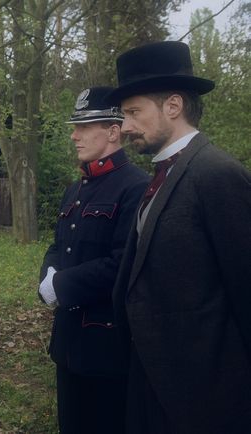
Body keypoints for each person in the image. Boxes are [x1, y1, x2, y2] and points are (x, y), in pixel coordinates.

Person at [107, 41, 251, 434]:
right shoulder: (158, 178)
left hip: (206, 398)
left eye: (134, 112)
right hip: (152, 386)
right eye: (123, 115)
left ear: (173, 106)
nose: (126, 126)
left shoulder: (217, 175)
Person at [38, 86, 149, 434]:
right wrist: (47, 278)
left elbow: (123, 264)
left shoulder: (137, 188)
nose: (74, 135)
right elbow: (57, 246)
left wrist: (61, 285)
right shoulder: (76, 188)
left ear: (114, 132)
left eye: (84, 127)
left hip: (107, 348)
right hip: (68, 345)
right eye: (75, 127)